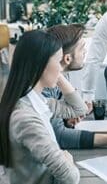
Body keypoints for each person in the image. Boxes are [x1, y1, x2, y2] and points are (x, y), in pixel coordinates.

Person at [0, 30, 80, 184]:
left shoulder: (37, 101)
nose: (61, 68)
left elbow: (78, 110)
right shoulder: (25, 117)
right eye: (58, 61)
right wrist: (66, 159)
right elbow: (71, 177)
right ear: (41, 65)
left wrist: (56, 75)